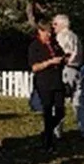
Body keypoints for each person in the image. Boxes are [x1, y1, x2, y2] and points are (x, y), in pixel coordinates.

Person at [52, 14, 84, 141]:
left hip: (66, 70)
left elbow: (66, 55)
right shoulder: (75, 36)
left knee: (58, 100)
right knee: (79, 102)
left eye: (55, 24)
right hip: (77, 70)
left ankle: (56, 131)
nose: (53, 27)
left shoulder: (61, 37)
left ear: (62, 24)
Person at [28, 20, 65, 152]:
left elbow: (61, 55)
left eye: (50, 32)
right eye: (46, 32)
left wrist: (63, 59)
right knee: (48, 111)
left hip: (57, 80)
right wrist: (49, 62)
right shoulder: (35, 46)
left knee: (60, 111)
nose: (49, 35)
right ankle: (48, 142)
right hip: (44, 82)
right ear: (40, 31)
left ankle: (47, 132)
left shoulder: (54, 44)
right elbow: (34, 67)